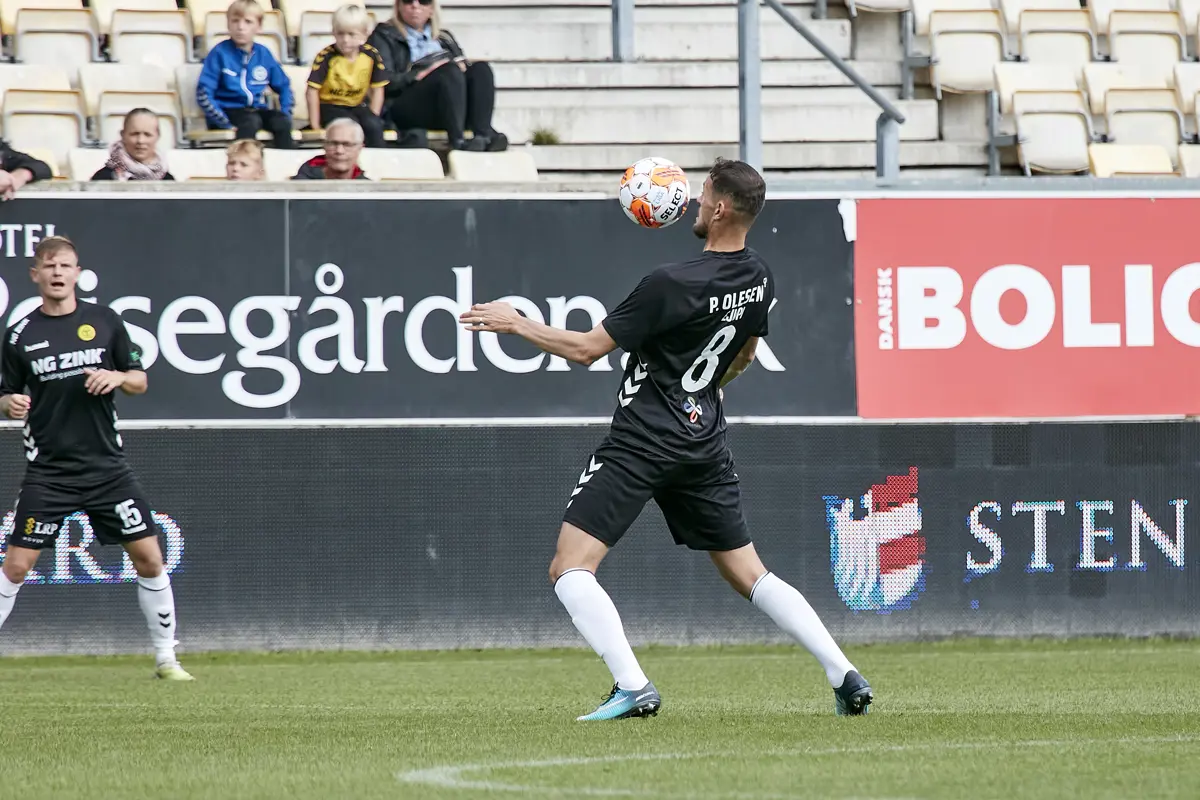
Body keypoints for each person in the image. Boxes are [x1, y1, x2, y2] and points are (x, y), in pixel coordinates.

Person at [459, 159, 872, 721]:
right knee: (751, 573)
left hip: (643, 441)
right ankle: (843, 673)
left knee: (569, 568)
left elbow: (586, 349)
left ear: (720, 209)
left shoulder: (669, 283)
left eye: (702, 194)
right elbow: (744, 357)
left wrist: (516, 322)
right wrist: (695, 392)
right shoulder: (759, 276)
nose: (695, 203)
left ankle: (632, 686)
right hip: (703, 441)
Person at [0, 236, 193, 682]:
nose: (57, 273)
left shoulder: (105, 321)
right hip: (49, 472)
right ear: (35, 274)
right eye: (49, 266)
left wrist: (118, 377)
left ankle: (167, 658)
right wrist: (9, 404)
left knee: (150, 558)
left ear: (78, 273)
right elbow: (5, 393)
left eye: (65, 265)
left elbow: (140, 380)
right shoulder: (20, 334)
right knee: (16, 566)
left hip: (107, 470)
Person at [368, 0, 507, 152]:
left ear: (432, 9)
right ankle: (458, 141)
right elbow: (385, 81)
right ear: (398, 6)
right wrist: (419, 74)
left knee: (481, 69)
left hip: (448, 102)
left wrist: (462, 68)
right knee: (449, 72)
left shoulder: (445, 37)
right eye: (408, 1)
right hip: (406, 103)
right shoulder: (384, 35)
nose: (415, 6)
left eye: (423, 1)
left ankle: (484, 135)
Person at [197, 0, 295, 149]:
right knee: (250, 121)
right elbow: (204, 92)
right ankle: (244, 161)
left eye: (248, 22)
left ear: (259, 26)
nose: (241, 27)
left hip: (257, 110)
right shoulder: (219, 53)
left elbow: (284, 85)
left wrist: (285, 112)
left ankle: (286, 161)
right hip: (228, 111)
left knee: (281, 122)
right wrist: (223, 122)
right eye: (235, 21)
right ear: (228, 24)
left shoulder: (263, 54)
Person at [307, 4, 389, 149]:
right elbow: (312, 91)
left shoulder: (372, 55)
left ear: (365, 34)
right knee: (349, 127)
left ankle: (376, 160)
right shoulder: (326, 56)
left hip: (356, 105)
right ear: (333, 32)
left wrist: (373, 115)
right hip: (330, 106)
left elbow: (378, 89)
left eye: (351, 34)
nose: (345, 40)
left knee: (374, 126)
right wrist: (315, 125)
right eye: (340, 34)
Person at [91, 109, 174, 181]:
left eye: (147, 134)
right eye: (134, 134)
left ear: (158, 136)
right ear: (123, 135)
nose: (141, 140)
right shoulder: (104, 178)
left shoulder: (167, 180)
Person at [292, 118, 368, 180]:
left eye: (347, 145)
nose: (339, 151)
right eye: (333, 144)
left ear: (360, 148)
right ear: (324, 146)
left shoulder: (368, 189)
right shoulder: (301, 183)